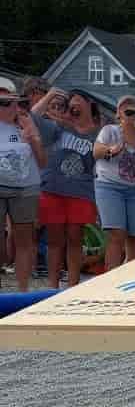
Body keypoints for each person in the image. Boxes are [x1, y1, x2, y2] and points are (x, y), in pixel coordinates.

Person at [31, 87, 101, 287]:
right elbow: (31, 117)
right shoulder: (57, 129)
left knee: (75, 238)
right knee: (54, 240)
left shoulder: (98, 132)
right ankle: (52, 287)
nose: (73, 104)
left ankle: (73, 284)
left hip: (81, 193)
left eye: (78, 100)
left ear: (89, 104)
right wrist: (50, 95)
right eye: (71, 102)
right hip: (53, 189)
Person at [93, 95, 135, 270]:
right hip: (110, 186)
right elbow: (96, 151)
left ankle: (132, 276)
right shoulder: (109, 131)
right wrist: (111, 150)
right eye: (128, 111)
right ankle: (111, 279)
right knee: (117, 234)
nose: (133, 115)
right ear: (119, 114)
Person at [0, 78, 46, 291]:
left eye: (11, 102)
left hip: (26, 188)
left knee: (24, 241)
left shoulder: (27, 122)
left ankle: (22, 290)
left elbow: (43, 162)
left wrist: (34, 138)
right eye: (2, 102)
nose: (8, 107)